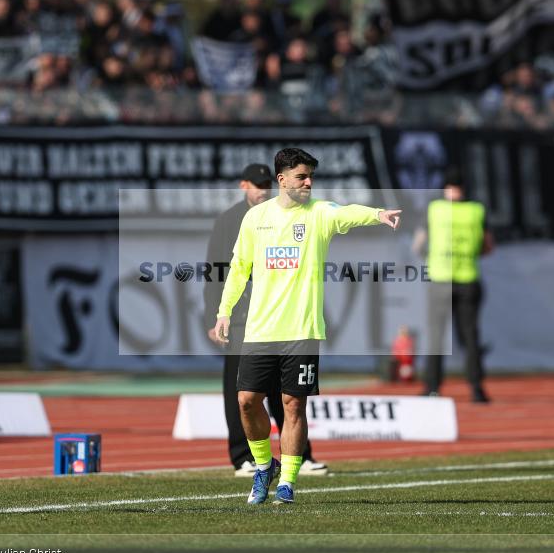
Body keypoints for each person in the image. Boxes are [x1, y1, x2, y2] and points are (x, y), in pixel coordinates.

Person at [213, 148, 401, 504]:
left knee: (292, 406)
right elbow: (238, 268)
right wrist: (224, 312)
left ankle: (287, 480)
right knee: (247, 401)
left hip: (303, 330)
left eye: (311, 176)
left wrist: (377, 214)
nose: (308, 182)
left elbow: (347, 213)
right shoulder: (256, 218)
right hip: (259, 331)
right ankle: (263, 466)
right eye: (301, 176)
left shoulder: (319, 214)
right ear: (282, 180)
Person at [203, 163, 327, 478]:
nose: (263, 190)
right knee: (242, 392)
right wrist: (216, 315)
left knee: (285, 393)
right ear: (244, 185)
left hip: (278, 317)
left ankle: (300, 456)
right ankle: (243, 457)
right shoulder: (230, 220)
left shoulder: (280, 213)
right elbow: (217, 272)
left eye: (266, 184)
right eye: (257, 184)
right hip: (243, 320)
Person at [413, 169, 494, 403]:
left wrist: (431, 256)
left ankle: (432, 387)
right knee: (470, 336)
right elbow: (488, 246)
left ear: (445, 187)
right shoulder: (476, 210)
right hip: (468, 278)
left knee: (436, 336)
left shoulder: (435, 209)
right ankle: (477, 388)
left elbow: (418, 245)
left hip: (440, 279)